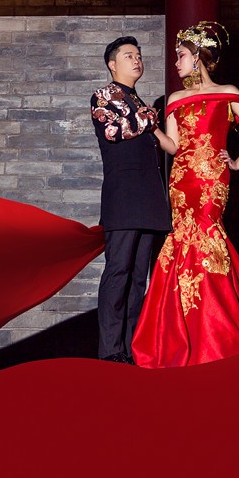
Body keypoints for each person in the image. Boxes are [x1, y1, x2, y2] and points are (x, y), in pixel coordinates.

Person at [132, 22, 239, 368]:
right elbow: (173, 146)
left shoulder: (227, 92)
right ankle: (184, 333)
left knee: (208, 237)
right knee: (181, 240)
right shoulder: (175, 99)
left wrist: (237, 162)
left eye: (181, 55)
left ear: (197, 57)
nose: (176, 63)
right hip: (181, 180)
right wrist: (151, 126)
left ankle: (219, 330)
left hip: (211, 178)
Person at [90, 36, 173, 364]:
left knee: (139, 278)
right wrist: (149, 118)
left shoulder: (140, 103)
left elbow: (170, 145)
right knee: (119, 272)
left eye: (138, 55)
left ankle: (131, 350)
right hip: (123, 200)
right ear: (113, 64)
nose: (137, 60)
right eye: (128, 56)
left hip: (149, 200)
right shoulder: (103, 95)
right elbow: (113, 132)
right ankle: (110, 352)